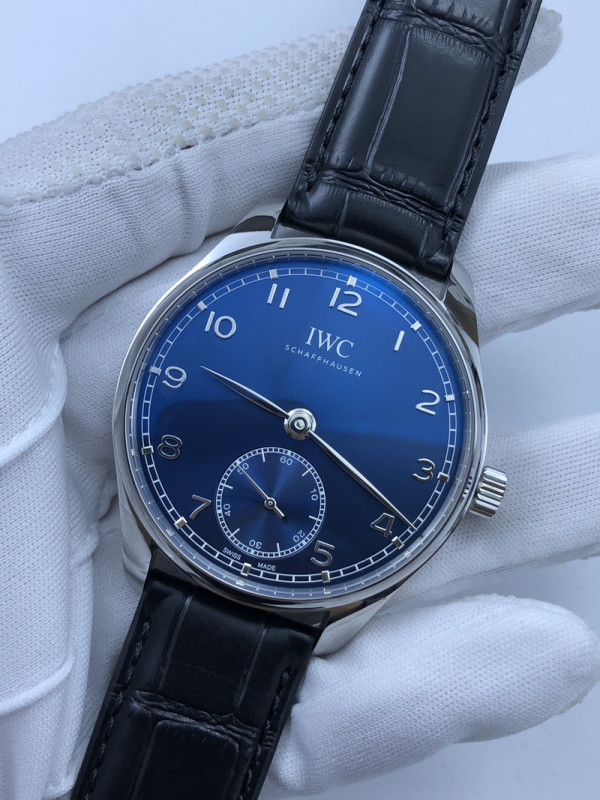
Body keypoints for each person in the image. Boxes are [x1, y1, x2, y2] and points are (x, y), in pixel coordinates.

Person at [0, 6, 599, 799]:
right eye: (293, 418)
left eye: (303, 422)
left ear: (469, 487)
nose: (300, 423)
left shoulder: (379, 358)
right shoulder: (304, 319)